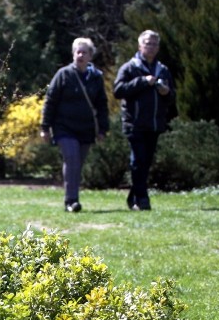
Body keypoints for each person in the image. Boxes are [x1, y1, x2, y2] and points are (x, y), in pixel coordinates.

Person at [40, 37, 109, 212]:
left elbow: (102, 104)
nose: (80, 55)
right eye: (77, 51)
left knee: (78, 164)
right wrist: (45, 127)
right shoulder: (63, 74)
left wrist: (103, 129)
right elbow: (50, 101)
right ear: (73, 54)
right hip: (64, 127)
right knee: (71, 159)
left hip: (86, 129)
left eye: (84, 52)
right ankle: (71, 201)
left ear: (90, 56)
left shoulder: (96, 77)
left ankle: (72, 198)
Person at [113, 30, 175, 211]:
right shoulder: (130, 67)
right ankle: (142, 199)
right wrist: (142, 81)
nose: (151, 47)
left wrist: (166, 92)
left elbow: (172, 97)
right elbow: (118, 90)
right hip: (134, 123)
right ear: (140, 46)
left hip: (154, 124)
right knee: (137, 161)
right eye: (148, 43)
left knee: (145, 163)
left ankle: (133, 197)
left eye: (155, 44)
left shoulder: (162, 70)